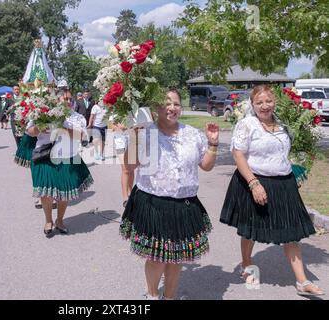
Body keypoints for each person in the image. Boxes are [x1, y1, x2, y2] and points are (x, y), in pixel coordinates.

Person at [219, 84, 324, 297]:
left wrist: (294, 172)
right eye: (259, 102)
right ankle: (247, 265)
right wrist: (253, 183)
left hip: (284, 184)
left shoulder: (284, 125)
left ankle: (302, 282)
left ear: (274, 101)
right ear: (252, 104)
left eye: (268, 101)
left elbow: (288, 152)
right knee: (252, 228)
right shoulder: (247, 125)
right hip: (255, 181)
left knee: (290, 231)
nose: (265, 106)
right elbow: (238, 155)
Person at [119, 88, 219, 300]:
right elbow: (128, 166)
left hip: (185, 204)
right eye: (167, 103)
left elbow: (206, 166)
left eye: (176, 103)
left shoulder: (193, 134)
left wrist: (212, 144)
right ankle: (152, 295)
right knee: (156, 257)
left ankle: (170, 297)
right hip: (153, 202)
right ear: (156, 108)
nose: (172, 108)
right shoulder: (145, 133)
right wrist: (135, 136)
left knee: (176, 256)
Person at [27, 105, 93, 238]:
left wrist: (61, 128)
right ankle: (48, 221)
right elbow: (30, 131)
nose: (66, 101)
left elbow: (81, 136)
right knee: (45, 193)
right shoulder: (41, 113)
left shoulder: (77, 117)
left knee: (65, 192)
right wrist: (41, 126)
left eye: (69, 98)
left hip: (67, 158)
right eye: (63, 98)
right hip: (44, 156)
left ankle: (60, 220)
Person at [108, 118, 133, 208]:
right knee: (125, 169)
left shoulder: (133, 108)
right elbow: (112, 126)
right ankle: (125, 198)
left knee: (131, 169)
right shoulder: (115, 109)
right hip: (120, 142)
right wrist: (122, 127)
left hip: (132, 140)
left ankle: (132, 193)